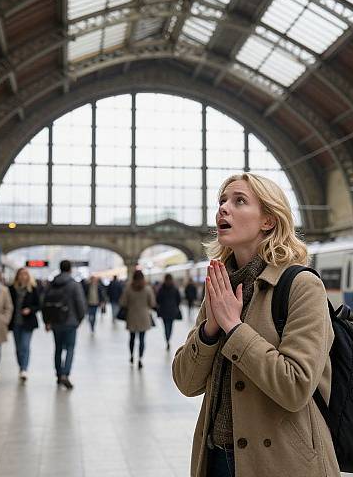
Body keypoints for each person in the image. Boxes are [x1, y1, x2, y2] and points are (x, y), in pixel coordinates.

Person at [172, 173, 339, 477]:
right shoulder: (221, 288)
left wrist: (234, 328)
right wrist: (210, 330)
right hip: (216, 458)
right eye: (222, 200)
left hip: (281, 462)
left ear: (268, 221)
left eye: (239, 201)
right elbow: (186, 382)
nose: (223, 208)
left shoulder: (302, 286)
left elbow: (295, 386)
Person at [43, 260, 86, 390]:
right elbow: (80, 303)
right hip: (70, 321)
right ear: (70, 269)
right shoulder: (74, 284)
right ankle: (65, 374)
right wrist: (80, 319)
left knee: (58, 348)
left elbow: (44, 302)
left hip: (55, 321)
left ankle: (58, 373)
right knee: (70, 348)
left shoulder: (52, 284)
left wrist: (47, 321)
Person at [8, 267, 40, 382]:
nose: (23, 276)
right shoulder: (11, 289)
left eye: (25, 274)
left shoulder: (33, 289)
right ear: (17, 276)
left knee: (25, 346)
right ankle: (21, 366)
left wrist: (30, 309)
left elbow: (38, 305)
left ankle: (24, 369)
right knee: (18, 348)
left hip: (28, 322)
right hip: (16, 322)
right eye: (21, 274)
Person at [120, 270, 156, 369]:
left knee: (131, 338)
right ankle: (140, 359)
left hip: (131, 316)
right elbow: (152, 303)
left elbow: (123, 302)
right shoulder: (147, 289)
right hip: (144, 317)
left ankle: (131, 356)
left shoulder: (128, 289)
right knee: (142, 339)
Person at [156, 273, 182, 351]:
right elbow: (178, 299)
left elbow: (158, 299)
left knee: (166, 326)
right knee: (170, 326)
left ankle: (167, 339)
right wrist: (175, 306)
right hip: (172, 311)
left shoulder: (161, 289)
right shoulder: (175, 289)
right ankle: (168, 338)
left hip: (164, 311)